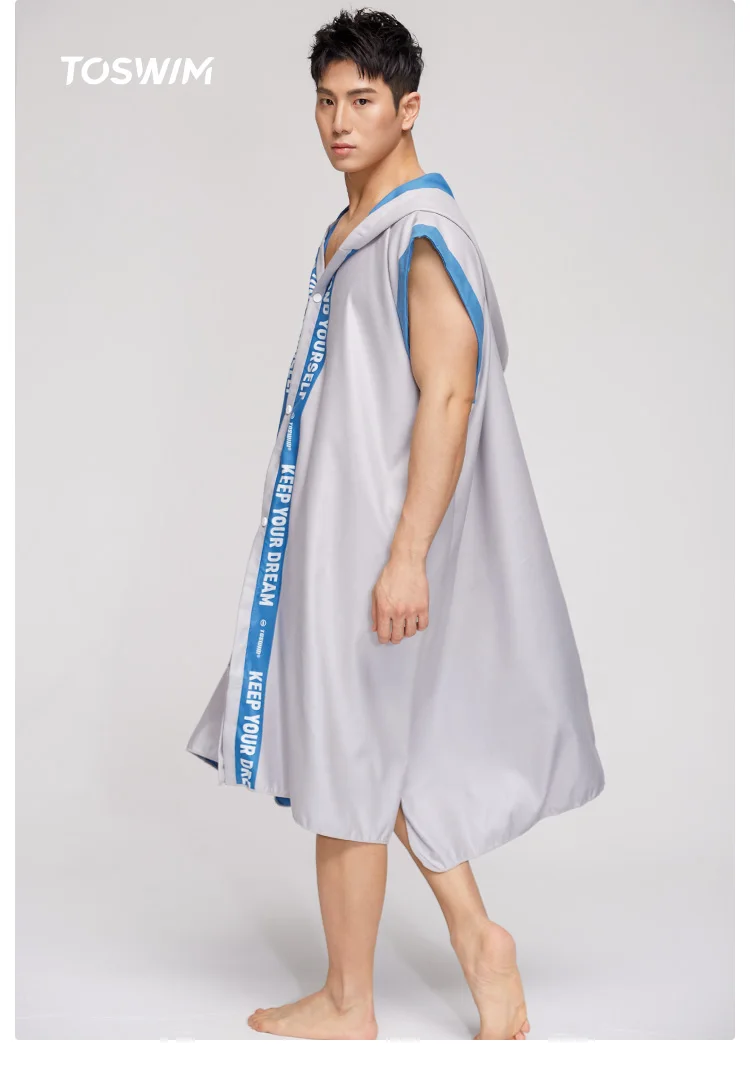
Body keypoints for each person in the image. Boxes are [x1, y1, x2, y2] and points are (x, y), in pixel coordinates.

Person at [186, 6, 606, 1041]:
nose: (339, 122)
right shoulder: (354, 228)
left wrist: (406, 555)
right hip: (346, 530)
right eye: (326, 101)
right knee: (380, 750)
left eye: (363, 101)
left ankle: (348, 1001)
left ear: (408, 108)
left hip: (382, 537)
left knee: (345, 758)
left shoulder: (421, 235)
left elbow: (449, 397)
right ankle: (479, 942)